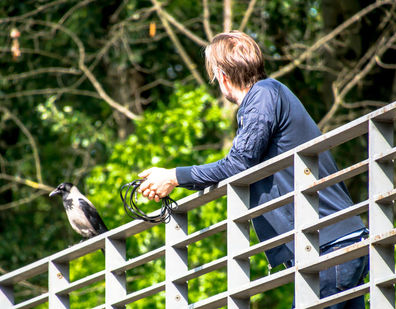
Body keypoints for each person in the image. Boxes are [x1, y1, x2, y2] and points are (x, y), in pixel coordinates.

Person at [138, 31, 369, 308]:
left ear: (222, 75)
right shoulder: (269, 95)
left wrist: (174, 176)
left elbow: (238, 164)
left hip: (328, 246)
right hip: (336, 244)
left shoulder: (262, 95)